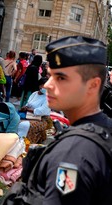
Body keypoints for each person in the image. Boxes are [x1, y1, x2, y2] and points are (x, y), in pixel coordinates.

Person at [31, 36, 112, 204]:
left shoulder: (71, 152)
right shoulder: (105, 128)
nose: (47, 85)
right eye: (49, 76)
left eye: (61, 78)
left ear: (93, 85)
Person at [17, 77, 52, 143]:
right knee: (16, 121)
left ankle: (24, 143)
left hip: (42, 119)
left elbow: (41, 111)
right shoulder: (34, 94)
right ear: (39, 85)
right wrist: (25, 107)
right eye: (43, 85)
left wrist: (29, 109)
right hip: (29, 115)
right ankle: (18, 141)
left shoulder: (48, 97)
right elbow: (28, 104)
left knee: (25, 125)